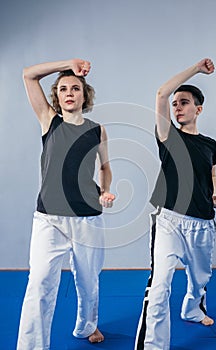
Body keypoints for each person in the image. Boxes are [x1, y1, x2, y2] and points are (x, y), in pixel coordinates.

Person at [17, 58, 115, 350]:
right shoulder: (49, 120)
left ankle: (87, 327)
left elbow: (105, 167)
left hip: (87, 218)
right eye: (62, 89)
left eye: (75, 88)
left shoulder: (97, 129)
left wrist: (104, 192)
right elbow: (28, 75)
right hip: (49, 219)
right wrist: (69, 62)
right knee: (39, 284)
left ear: (85, 95)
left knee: (88, 281)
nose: (69, 92)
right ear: (56, 96)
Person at [135, 58, 216, 350]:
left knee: (200, 278)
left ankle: (192, 308)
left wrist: (212, 193)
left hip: (202, 221)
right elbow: (161, 94)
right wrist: (196, 69)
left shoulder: (209, 143)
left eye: (184, 103)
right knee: (160, 285)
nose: (177, 107)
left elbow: (210, 170)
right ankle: (153, 345)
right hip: (169, 219)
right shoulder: (168, 136)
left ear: (198, 109)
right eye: (176, 104)